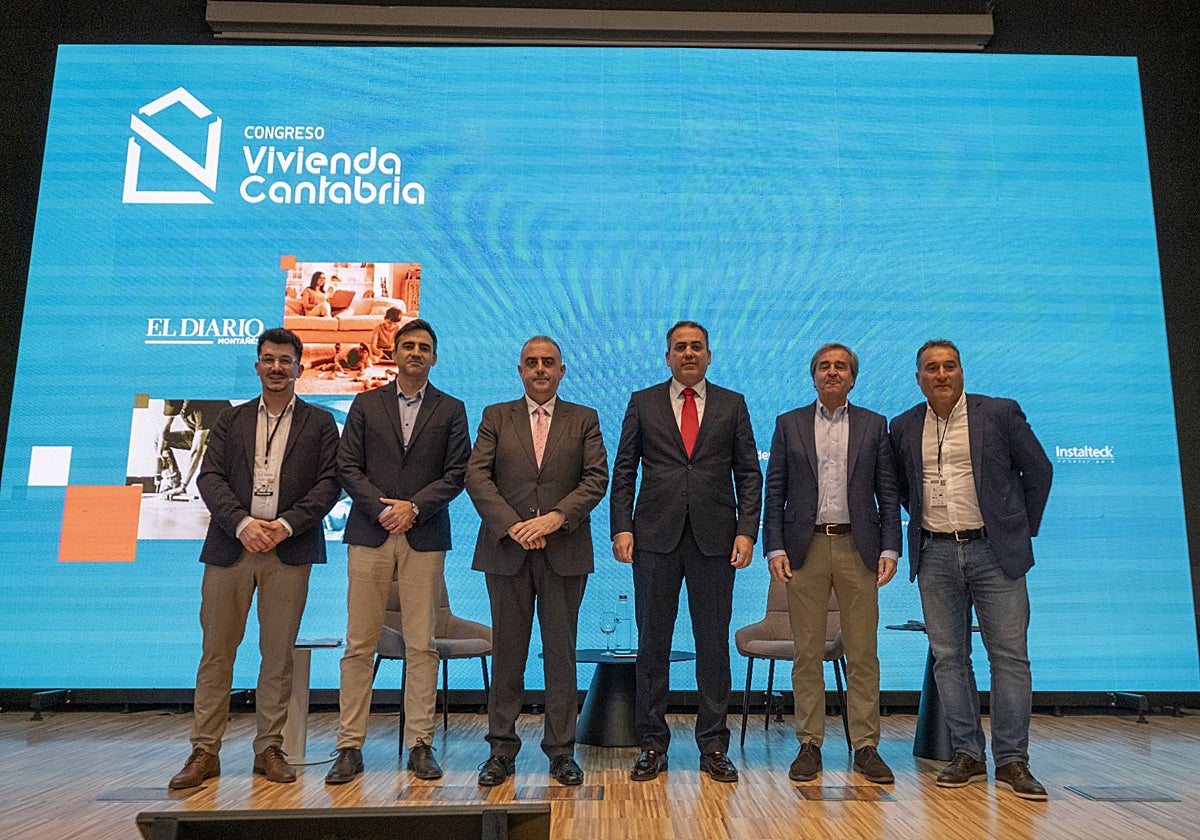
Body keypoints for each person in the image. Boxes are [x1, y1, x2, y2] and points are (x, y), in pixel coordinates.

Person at [168, 328, 340, 789]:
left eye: (286, 360)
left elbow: (329, 485)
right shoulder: (231, 420)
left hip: (289, 549)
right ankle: (204, 751)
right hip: (231, 548)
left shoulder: (321, 423)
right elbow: (210, 478)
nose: (277, 367)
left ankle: (269, 748)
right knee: (216, 654)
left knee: (277, 656)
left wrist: (283, 526)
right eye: (269, 359)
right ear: (257, 365)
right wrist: (243, 523)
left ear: (300, 367)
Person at [889, 339, 1053, 800]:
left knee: (1010, 659)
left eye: (949, 366)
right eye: (931, 368)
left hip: (994, 553)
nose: (941, 374)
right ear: (918, 377)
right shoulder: (903, 426)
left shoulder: (999, 413)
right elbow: (905, 489)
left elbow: (1039, 471)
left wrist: (1019, 527)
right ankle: (967, 754)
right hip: (936, 554)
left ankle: (1013, 760)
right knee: (949, 658)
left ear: (962, 371)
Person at [610, 320, 762, 783]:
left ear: (709, 355)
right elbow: (624, 471)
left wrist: (747, 532)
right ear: (668, 356)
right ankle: (652, 745)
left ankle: (714, 745)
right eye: (680, 347)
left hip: (716, 541)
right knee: (652, 645)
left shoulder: (733, 404)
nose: (689, 354)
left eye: (697, 347)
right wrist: (622, 528)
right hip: (654, 538)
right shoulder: (643, 402)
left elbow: (749, 474)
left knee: (713, 646)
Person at [326, 318, 471, 784]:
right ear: (394, 352)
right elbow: (347, 465)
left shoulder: (452, 409)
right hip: (370, 534)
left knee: (422, 645)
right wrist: (381, 509)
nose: (415, 353)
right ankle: (349, 746)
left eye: (424, 347)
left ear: (434, 356)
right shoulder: (367, 404)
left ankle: (420, 745)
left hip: (423, 536)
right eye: (407, 345)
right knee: (359, 645)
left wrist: (414, 508)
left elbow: (457, 473)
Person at [465, 336, 608, 787]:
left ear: (562, 370)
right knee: (508, 653)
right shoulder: (495, 416)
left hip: (563, 551)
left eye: (549, 363)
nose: (540, 369)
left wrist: (554, 519)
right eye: (532, 363)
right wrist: (513, 526)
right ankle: (501, 751)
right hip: (506, 552)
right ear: (520, 370)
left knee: (561, 657)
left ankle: (561, 753)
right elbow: (477, 475)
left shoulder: (584, 418)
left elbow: (596, 478)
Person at [762, 343, 901, 785]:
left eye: (841, 367)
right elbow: (774, 490)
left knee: (862, 652)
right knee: (807, 652)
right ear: (813, 376)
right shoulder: (789, 424)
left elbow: (889, 492)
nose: (832, 373)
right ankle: (810, 743)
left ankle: (866, 746)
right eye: (824, 367)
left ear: (853, 378)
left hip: (859, 548)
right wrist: (774, 547)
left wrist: (890, 548)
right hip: (805, 549)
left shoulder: (875, 425)